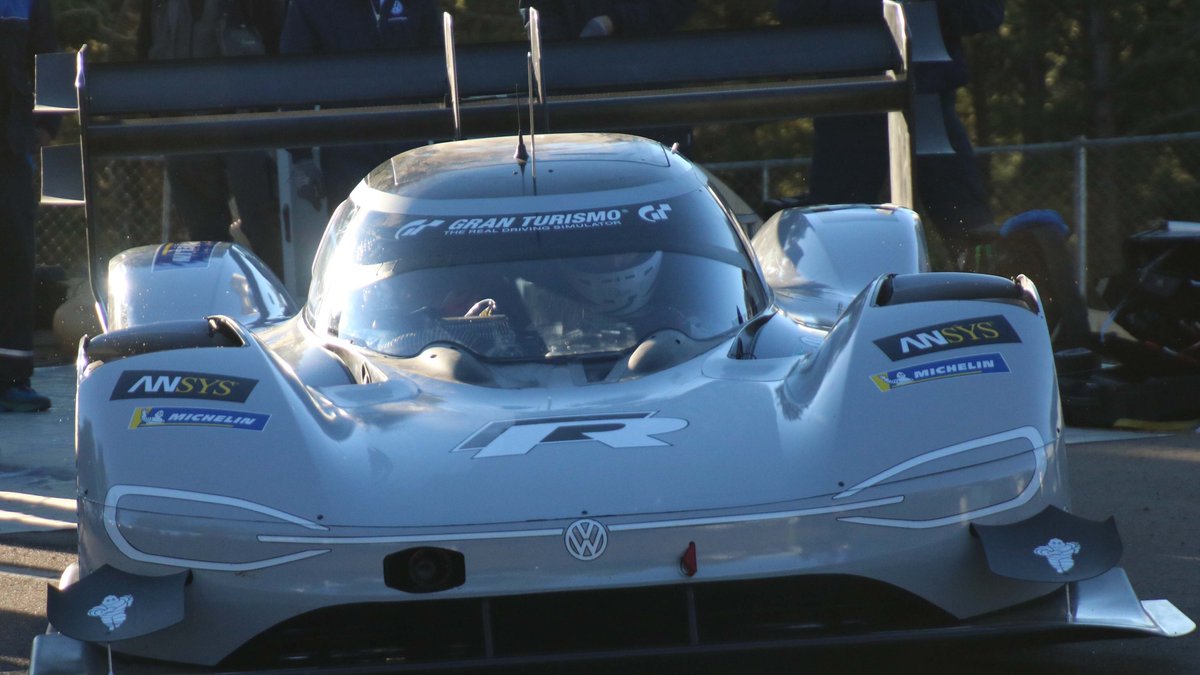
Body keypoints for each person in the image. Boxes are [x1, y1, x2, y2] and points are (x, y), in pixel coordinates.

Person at [776, 0, 1004, 270]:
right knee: (834, 235)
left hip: (929, 104)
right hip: (849, 106)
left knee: (972, 229)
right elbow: (794, 12)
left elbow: (984, 12)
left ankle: (987, 288)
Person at [137, 0, 287, 276]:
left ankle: (284, 301)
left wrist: (266, 111)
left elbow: (278, 37)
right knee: (204, 239)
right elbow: (146, 44)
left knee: (263, 225)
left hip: (245, 123)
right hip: (182, 126)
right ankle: (219, 309)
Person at [280, 0, 442, 213]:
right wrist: (301, 157)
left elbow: (440, 69)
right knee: (352, 228)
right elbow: (293, 81)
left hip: (409, 146)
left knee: (413, 229)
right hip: (346, 147)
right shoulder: (311, 6)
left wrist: (444, 145)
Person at [518, 0, 698, 152]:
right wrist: (562, 50)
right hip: (572, 99)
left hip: (648, 92)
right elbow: (535, 11)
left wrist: (615, 21)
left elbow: (676, 6)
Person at [0, 0, 59, 412]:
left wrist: (46, 124)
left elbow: (47, 56)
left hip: (11, 138)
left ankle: (12, 378)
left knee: (14, 253)